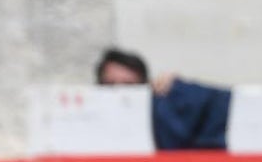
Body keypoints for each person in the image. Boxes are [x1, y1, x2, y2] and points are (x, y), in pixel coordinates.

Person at [95, 47, 232, 151]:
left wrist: (179, 90)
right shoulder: (87, 116)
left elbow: (228, 105)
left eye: (129, 86)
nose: (119, 93)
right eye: (110, 85)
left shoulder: (163, 112)